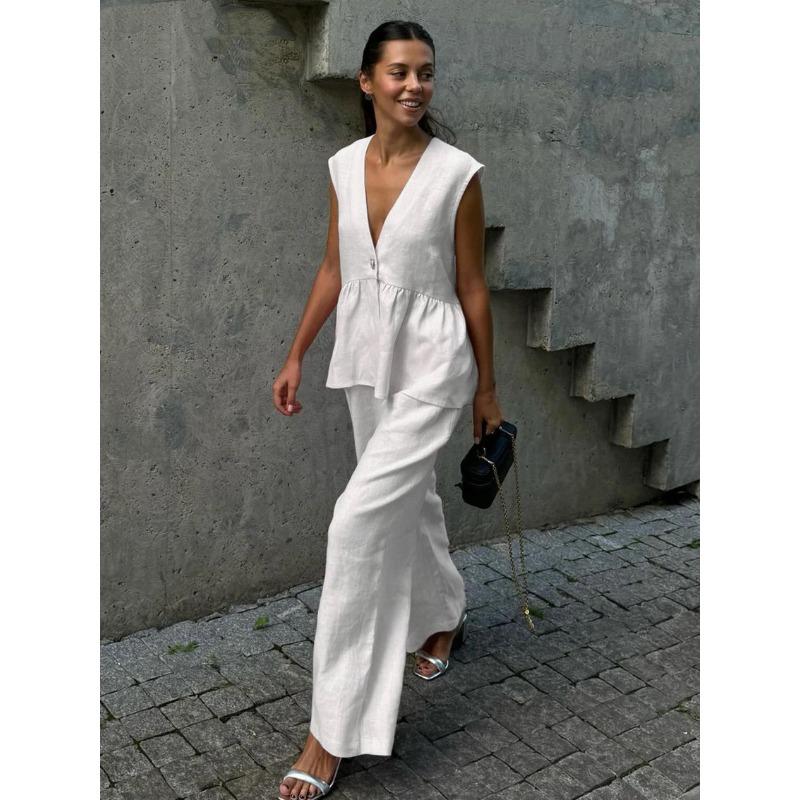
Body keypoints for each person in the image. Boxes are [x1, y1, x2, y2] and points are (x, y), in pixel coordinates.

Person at [272, 20, 503, 800]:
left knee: (357, 525)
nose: (415, 85)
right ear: (367, 81)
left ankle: (331, 732)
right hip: (366, 359)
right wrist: (297, 353)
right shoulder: (342, 166)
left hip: (435, 366)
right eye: (400, 71)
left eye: (425, 72)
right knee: (413, 500)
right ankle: (442, 616)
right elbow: (334, 268)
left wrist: (487, 389)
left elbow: (472, 286)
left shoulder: (457, 175)